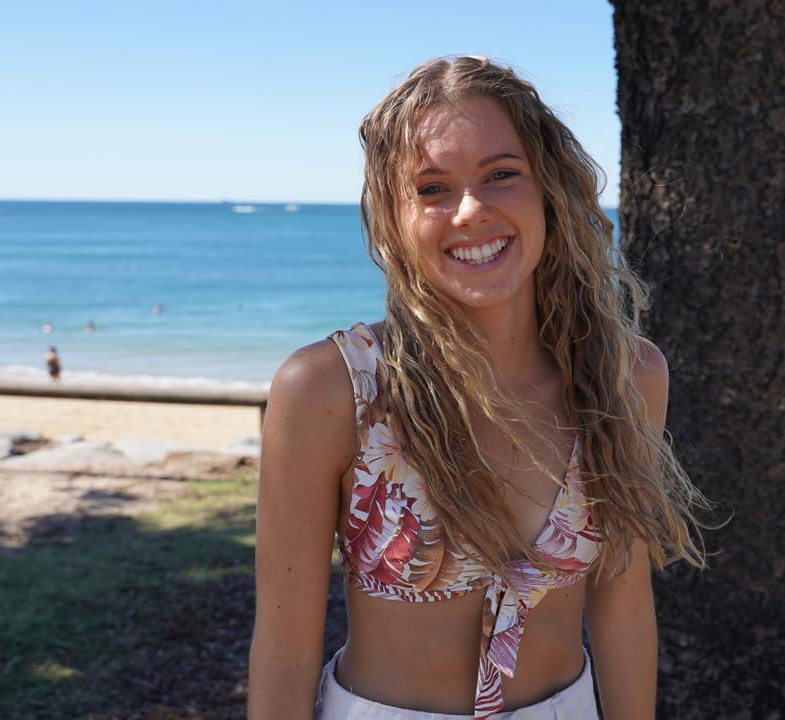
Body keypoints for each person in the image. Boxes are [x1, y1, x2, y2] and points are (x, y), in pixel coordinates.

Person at [249, 56, 712, 719]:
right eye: (432, 188)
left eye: (500, 175)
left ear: (548, 188)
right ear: (394, 216)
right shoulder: (330, 389)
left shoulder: (624, 377)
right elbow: (284, 648)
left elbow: (623, 607)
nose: (471, 210)